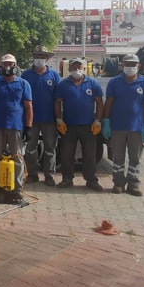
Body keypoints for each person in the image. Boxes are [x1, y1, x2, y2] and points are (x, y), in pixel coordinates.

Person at [102, 54, 144, 196]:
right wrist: (106, 122)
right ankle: (118, 184)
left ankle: (133, 185)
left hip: (137, 128)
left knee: (135, 159)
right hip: (117, 127)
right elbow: (108, 103)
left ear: (139, 66)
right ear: (122, 65)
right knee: (118, 159)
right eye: (127, 64)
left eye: (133, 64)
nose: (130, 67)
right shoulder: (114, 82)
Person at [0, 54, 33, 201]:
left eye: (10, 64)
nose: (7, 67)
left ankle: (17, 188)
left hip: (16, 126)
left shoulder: (23, 84)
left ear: (15, 66)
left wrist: (28, 127)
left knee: (17, 157)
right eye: (5, 64)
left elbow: (28, 107)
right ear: (1, 66)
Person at [54, 58, 104, 191]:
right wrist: (59, 119)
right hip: (68, 126)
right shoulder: (63, 84)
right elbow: (57, 102)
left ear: (84, 69)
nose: (77, 70)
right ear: (69, 69)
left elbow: (99, 103)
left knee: (90, 155)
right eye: (74, 67)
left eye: (79, 67)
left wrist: (98, 121)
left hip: (89, 126)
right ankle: (67, 179)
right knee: (66, 154)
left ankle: (91, 180)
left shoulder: (93, 83)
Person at [22, 45, 60, 186]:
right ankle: (32, 174)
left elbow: (58, 99)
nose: (39, 59)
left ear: (47, 59)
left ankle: (49, 175)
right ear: (33, 57)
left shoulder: (54, 75)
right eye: (37, 56)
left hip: (49, 119)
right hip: (31, 119)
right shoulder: (25, 75)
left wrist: (59, 118)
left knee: (50, 148)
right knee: (30, 147)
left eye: (42, 56)